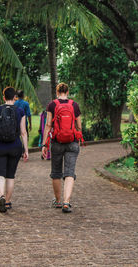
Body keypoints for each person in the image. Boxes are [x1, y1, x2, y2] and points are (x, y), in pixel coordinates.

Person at [41, 83, 83, 213]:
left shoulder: (52, 105)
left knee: (56, 172)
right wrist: (78, 140)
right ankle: (66, 202)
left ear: (57, 92)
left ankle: (58, 201)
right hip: (72, 142)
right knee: (70, 172)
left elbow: (48, 125)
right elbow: (79, 126)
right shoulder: (74, 105)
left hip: (57, 142)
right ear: (68, 91)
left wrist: (44, 144)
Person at [0, 86, 29, 213]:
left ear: (3, 97)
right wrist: (26, 150)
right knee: (10, 176)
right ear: (15, 97)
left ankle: (1, 195)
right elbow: (23, 132)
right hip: (15, 146)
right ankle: (7, 202)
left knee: (0, 174)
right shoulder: (20, 111)